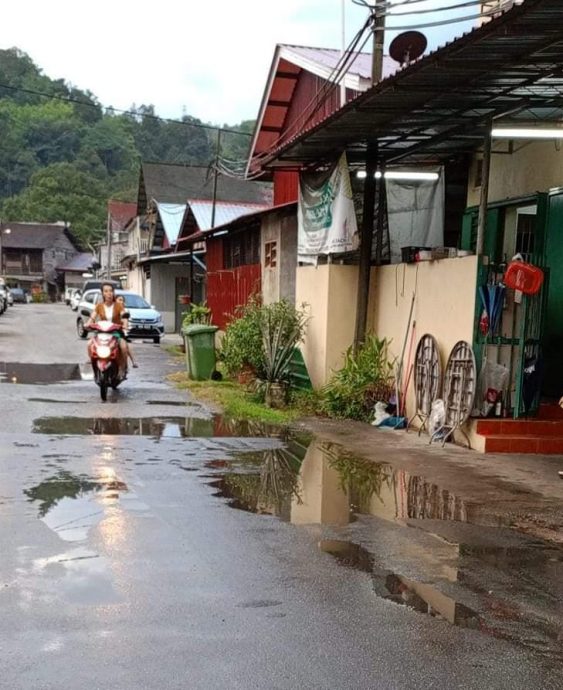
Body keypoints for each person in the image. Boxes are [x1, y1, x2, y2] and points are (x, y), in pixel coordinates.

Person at [85, 283, 129, 376]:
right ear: (103, 293)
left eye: (111, 291)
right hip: (102, 332)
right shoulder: (99, 306)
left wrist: (125, 324)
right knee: (89, 344)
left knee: (124, 347)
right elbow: (92, 317)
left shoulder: (118, 306)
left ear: (113, 293)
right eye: (106, 291)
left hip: (116, 332)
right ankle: (92, 360)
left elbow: (124, 316)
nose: (109, 293)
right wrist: (88, 324)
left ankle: (123, 367)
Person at [116, 295, 138, 368]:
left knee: (125, 346)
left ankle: (132, 361)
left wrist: (124, 326)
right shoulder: (110, 310)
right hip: (108, 332)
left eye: (122, 300)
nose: (121, 301)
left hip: (119, 333)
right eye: (119, 299)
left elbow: (125, 321)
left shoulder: (123, 312)